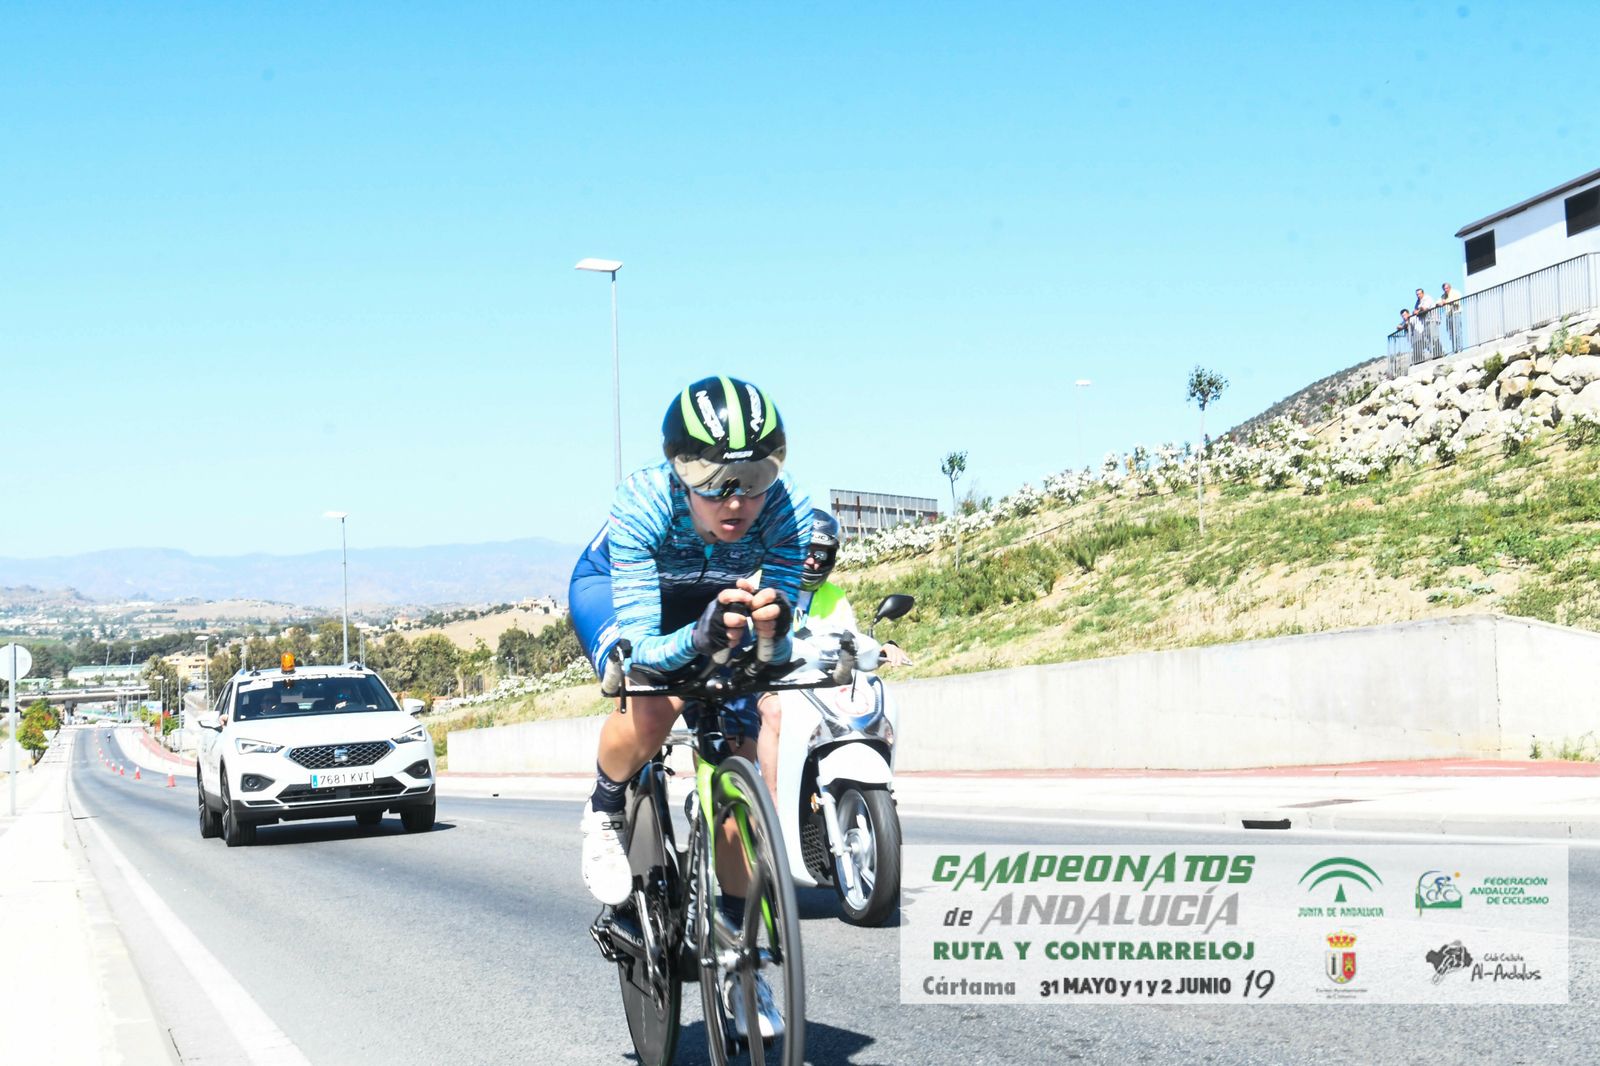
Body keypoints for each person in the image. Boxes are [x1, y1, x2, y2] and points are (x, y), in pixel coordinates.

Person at [569, 374, 808, 1038]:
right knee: (652, 704)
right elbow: (646, 644)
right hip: (624, 595)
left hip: (712, 600)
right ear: (680, 469)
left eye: (754, 475)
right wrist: (698, 639)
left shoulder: (789, 510)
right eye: (713, 479)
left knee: (737, 762)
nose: (736, 500)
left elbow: (779, 642)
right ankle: (605, 807)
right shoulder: (643, 502)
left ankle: (744, 961)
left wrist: (775, 624)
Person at [750, 507, 909, 796]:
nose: (812, 561)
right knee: (774, 712)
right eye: (806, 551)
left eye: (822, 554)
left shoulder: (835, 596)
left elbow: (850, 640)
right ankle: (772, 805)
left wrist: (883, 648)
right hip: (763, 680)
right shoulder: (763, 582)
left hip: (814, 687)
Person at [1415, 287, 1443, 360]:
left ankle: (1439, 352)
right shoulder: (1418, 301)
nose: (1418, 295)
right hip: (1425, 322)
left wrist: (1419, 310)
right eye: (1417, 294)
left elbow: (1425, 308)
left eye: (1419, 294)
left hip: (1432, 319)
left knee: (1434, 337)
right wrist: (1417, 311)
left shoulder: (1427, 298)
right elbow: (1415, 310)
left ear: (1423, 293)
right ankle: (1434, 353)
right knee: (1428, 338)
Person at [1440, 282, 1463, 354]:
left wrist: (1446, 302)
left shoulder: (1455, 293)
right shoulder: (1443, 296)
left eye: (1446, 288)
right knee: (1451, 333)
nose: (1445, 290)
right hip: (1448, 315)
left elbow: (1456, 302)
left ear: (1450, 287)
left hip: (1456, 313)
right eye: (1444, 289)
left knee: (1457, 331)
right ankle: (1455, 349)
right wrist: (1439, 303)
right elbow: (1439, 302)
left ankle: (1459, 348)